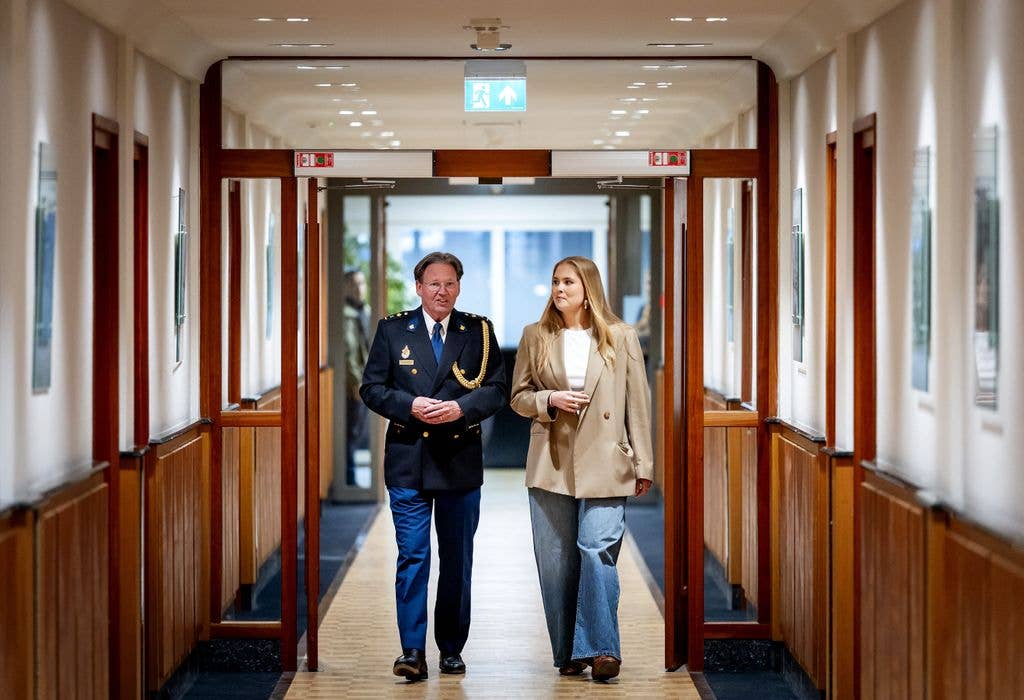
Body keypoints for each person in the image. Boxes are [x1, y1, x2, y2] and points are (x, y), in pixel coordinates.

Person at [360, 251, 507, 681]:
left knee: (457, 560)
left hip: (459, 462)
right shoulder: (392, 330)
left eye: (450, 284)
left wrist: (462, 408)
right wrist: (409, 406)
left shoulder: (477, 331)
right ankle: (411, 650)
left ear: (458, 287)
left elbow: (498, 389)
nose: (442, 292)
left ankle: (451, 649)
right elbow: (371, 388)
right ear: (419, 288)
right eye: (434, 284)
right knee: (413, 556)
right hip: (409, 460)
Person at [510, 255, 653, 681]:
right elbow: (518, 397)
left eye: (568, 282)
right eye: (555, 281)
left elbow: (637, 404)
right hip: (551, 462)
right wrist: (549, 400)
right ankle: (569, 652)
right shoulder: (535, 335)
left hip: (608, 459)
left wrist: (643, 463)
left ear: (588, 288)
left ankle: (603, 649)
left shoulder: (621, 336)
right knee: (557, 562)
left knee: (596, 549)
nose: (559, 289)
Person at [342, 268, 370, 486]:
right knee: (351, 432)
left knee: (356, 431)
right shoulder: (346, 314)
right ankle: (349, 479)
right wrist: (355, 382)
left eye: (361, 283)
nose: (359, 288)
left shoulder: (364, 311)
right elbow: (349, 351)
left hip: (366, 381)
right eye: (354, 284)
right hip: (354, 384)